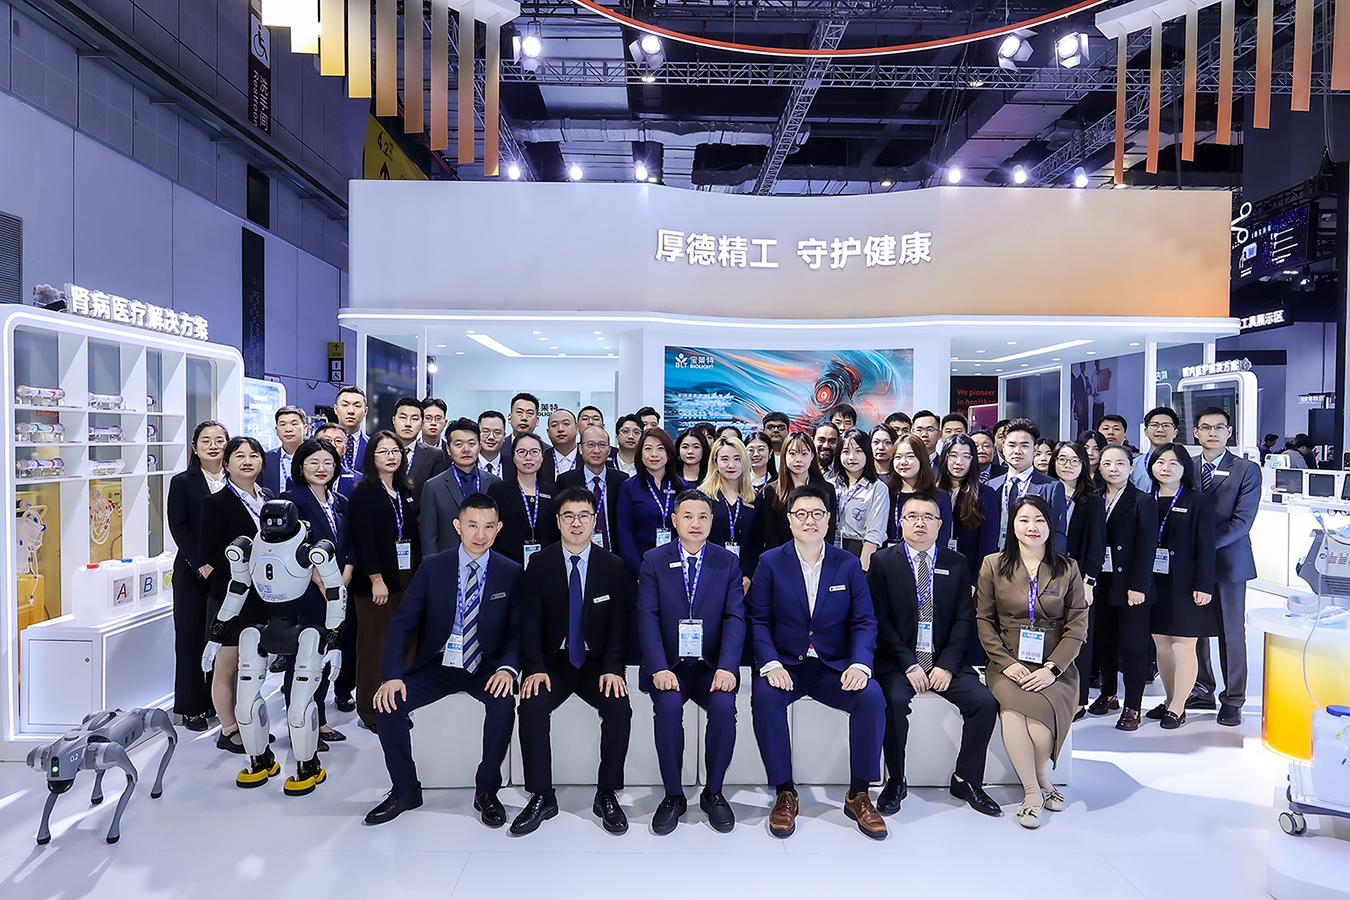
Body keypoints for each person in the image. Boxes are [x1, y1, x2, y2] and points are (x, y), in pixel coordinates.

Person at [364, 492, 522, 826]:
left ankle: (487, 790)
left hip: (486, 665)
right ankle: (405, 789)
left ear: (499, 529)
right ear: (457, 527)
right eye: (472, 525)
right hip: (439, 664)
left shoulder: (511, 571)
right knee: (388, 705)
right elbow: (402, 623)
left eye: (488, 526)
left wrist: (508, 669)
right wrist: (390, 675)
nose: (480, 534)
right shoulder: (433, 567)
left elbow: (518, 631)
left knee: (504, 703)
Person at [749, 485, 887, 839]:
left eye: (817, 514)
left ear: (828, 520)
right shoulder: (770, 562)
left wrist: (859, 664)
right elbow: (758, 620)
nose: (809, 521)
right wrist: (770, 664)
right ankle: (785, 791)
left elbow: (864, 621)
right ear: (790, 519)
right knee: (764, 698)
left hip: (832, 666)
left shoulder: (848, 563)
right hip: (787, 664)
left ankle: (859, 794)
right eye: (801, 514)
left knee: (871, 697)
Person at [869, 494, 1001, 818]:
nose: (920, 523)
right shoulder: (883, 561)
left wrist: (945, 665)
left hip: (944, 659)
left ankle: (966, 780)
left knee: (984, 703)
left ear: (940, 525)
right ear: (900, 522)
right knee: (893, 701)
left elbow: (963, 619)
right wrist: (909, 664)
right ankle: (896, 780)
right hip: (898, 660)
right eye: (912, 516)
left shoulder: (956, 563)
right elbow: (879, 620)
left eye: (928, 517)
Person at [513, 489, 633, 836]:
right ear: (558, 521)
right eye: (569, 516)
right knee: (531, 706)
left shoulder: (613, 566)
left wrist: (613, 668)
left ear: (595, 521)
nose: (576, 522)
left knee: (619, 708)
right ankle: (541, 795)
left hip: (597, 664)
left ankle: (607, 793)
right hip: (554, 662)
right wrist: (534, 667)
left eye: (584, 515)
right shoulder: (540, 563)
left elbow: (620, 625)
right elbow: (529, 621)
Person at [975, 495, 1088, 829]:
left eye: (1039, 520)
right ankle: (1033, 793)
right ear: (1012, 525)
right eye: (1024, 520)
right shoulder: (993, 564)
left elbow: (1077, 625)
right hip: (1007, 662)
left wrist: (1053, 669)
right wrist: (1005, 663)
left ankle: (1040, 777)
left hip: (1054, 665)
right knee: (1013, 715)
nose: (1032, 527)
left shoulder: (1068, 568)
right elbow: (983, 620)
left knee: (1040, 733)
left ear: (1050, 526)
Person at [637, 490, 745, 834]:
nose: (695, 523)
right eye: (687, 516)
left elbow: (735, 618)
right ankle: (673, 795)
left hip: (711, 666)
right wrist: (658, 667)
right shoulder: (654, 560)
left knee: (724, 708)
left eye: (702, 516)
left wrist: (728, 667)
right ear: (674, 520)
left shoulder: (727, 562)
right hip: (669, 665)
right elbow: (647, 617)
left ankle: (713, 793)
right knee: (668, 709)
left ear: (712, 521)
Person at [1187, 406, 1262, 726]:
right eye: (1206, 427)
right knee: (1194, 629)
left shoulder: (1246, 469)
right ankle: (1202, 687)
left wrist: (1201, 546)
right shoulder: (1186, 466)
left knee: (1231, 632)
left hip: (1230, 562)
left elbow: (1242, 522)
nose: (1213, 433)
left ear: (1229, 432)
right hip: (1191, 563)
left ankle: (1233, 699)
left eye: (1219, 427)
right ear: (1196, 433)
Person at [198, 435, 273, 753]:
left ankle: (248, 721)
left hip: (263, 595)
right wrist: (245, 564)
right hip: (232, 593)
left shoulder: (268, 498)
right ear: (226, 463)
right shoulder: (216, 502)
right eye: (239, 456)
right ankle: (228, 729)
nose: (247, 461)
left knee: (252, 664)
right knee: (227, 665)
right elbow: (209, 552)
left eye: (253, 455)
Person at [280, 439, 352, 748]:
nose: (321, 468)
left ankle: (318, 720)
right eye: (313, 462)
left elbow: (350, 544)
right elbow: (287, 547)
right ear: (300, 466)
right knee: (303, 659)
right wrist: (319, 579)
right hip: (307, 592)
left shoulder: (340, 501)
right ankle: (301, 722)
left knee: (325, 655)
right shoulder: (291, 501)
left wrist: (346, 574)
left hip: (338, 589)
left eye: (328, 463)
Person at [347, 430, 421, 730]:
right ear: (371, 457)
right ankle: (370, 710)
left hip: (406, 575)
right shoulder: (363, 493)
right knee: (375, 645)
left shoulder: (403, 490)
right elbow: (363, 540)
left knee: (406, 641)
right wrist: (376, 578)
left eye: (395, 451)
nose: (391, 457)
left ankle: (398, 705)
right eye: (383, 452)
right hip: (376, 582)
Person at [1145, 443, 1218, 729]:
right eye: (1160, 462)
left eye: (1173, 463)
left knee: (1184, 645)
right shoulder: (1145, 499)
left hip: (1187, 584)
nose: (1166, 468)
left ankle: (1179, 706)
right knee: (1161, 644)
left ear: (1185, 468)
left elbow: (1207, 545)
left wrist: (1205, 584)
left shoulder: (1198, 500)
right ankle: (1169, 699)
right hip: (1154, 581)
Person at [1089, 444, 1158, 732]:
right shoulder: (1094, 498)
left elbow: (1147, 547)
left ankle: (1133, 705)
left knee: (1132, 646)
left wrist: (1139, 585)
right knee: (1105, 642)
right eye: (1107, 463)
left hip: (1131, 585)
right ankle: (1108, 693)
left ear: (1131, 468)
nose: (1113, 469)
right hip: (1101, 582)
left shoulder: (1142, 500)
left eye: (1120, 463)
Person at [168, 420, 230, 731]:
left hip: (230, 572)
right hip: (193, 572)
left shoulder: (236, 479)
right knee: (191, 639)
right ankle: (192, 707)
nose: (213, 445)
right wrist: (201, 562)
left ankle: (218, 702)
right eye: (206, 440)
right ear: (194, 447)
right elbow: (179, 527)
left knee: (222, 639)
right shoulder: (183, 481)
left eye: (219, 440)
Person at [1049, 440, 1105, 717]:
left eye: (1074, 460)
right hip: (1046, 575)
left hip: (1079, 577)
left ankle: (1079, 699)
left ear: (1084, 464)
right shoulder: (1045, 492)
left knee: (1079, 637)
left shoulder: (1092, 500)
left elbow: (1097, 544)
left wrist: (1089, 580)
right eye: (1062, 459)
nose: (1068, 465)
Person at [748, 431, 839, 564]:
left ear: (812, 456)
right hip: (783, 560)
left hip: (819, 559)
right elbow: (770, 534)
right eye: (792, 453)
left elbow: (829, 531)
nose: (798, 459)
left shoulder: (827, 489)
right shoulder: (772, 491)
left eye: (804, 454)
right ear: (784, 456)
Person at [420, 418, 501, 556]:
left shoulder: (494, 482)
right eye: (459, 444)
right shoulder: (433, 486)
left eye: (471, 444)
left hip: (487, 559)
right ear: (448, 449)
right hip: (448, 561)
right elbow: (429, 538)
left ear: (480, 447)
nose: (466, 450)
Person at [988, 419, 1068, 554]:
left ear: (1035, 450)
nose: (1017, 451)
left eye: (1024, 446)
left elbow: (1058, 533)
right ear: (1003, 448)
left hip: (1034, 559)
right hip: (997, 558)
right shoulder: (991, 486)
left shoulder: (1051, 487)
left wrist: (1049, 563)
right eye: (1012, 445)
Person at [616, 428, 684, 580]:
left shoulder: (682, 486)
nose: (654, 454)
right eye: (648, 448)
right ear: (640, 454)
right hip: (641, 561)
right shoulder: (629, 487)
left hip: (677, 562)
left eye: (660, 448)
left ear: (669, 453)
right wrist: (639, 571)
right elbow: (624, 533)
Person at [486, 433, 560, 567]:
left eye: (534, 452)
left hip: (546, 562)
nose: (528, 457)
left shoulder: (553, 492)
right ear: (513, 457)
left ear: (542, 456)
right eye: (521, 452)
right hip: (507, 562)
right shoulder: (498, 491)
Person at [558, 425, 627, 553]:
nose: (596, 450)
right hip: (578, 552)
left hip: (615, 553)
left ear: (609, 450)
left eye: (602, 445)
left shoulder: (621, 480)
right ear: (580, 449)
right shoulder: (566, 481)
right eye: (590, 445)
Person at [938, 433, 999, 577]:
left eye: (966, 456)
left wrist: (977, 579)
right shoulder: (934, 492)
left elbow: (988, 545)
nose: (959, 462)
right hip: (937, 569)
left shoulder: (985, 493)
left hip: (969, 571)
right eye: (953, 455)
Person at [698, 436, 756, 586]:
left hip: (745, 577)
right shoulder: (702, 497)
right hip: (709, 572)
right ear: (715, 463)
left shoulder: (754, 498)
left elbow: (758, 541)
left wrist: (748, 575)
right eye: (725, 459)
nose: (731, 465)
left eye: (737, 459)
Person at [830, 428, 888, 572]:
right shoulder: (829, 485)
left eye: (858, 451)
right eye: (846, 451)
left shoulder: (878, 488)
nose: (852, 457)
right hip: (830, 550)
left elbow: (874, 534)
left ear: (868, 453)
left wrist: (861, 570)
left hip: (860, 551)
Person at [887, 433, 953, 550]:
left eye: (910, 456)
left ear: (922, 459)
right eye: (898, 457)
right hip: (891, 557)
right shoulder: (887, 494)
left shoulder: (940, 497)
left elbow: (942, 539)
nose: (903, 462)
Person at [392, 396, 449, 506]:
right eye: (403, 418)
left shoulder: (434, 455)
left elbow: (437, 496)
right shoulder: (380, 450)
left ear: (422, 423)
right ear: (394, 420)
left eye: (414, 419)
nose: (408, 424)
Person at [260, 405, 307, 495]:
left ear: (305, 429)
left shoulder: (315, 457)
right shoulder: (266, 459)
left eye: (294, 424)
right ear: (277, 430)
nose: (288, 429)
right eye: (283, 424)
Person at [1131, 407, 1179, 491]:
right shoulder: (1134, 465)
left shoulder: (1182, 463)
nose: (1160, 430)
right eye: (1154, 425)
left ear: (1175, 433)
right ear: (1146, 431)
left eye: (1166, 425)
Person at [315, 423, 358, 498]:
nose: (333, 445)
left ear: (346, 448)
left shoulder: (358, 480)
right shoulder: (301, 477)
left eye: (338, 441)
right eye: (327, 440)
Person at [333, 385, 369, 473]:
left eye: (357, 406)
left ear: (365, 411)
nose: (351, 411)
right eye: (345, 405)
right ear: (336, 409)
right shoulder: (321, 442)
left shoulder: (372, 445)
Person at [541, 408, 580, 483]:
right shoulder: (541, 460)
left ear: (577, 428)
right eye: (554, 425)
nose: (560, 429)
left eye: (566, 424)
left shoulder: (587, 457)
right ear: (548, 433)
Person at [476, 410, 509, 479]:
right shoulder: (467, 463)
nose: (491, 437)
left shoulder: (514, 466)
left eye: (497, 433)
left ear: (504, 436)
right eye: (485, 431)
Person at [744, 429, 777, 494]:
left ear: (770, 452)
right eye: (750, 450)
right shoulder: (739, 482)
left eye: (761, 449)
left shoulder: (779, 483)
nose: (756, 454)